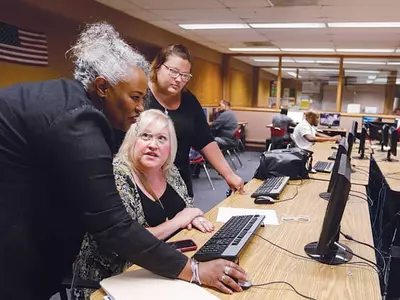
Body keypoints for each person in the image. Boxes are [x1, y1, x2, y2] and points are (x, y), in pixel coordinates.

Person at [0, 22, 246, 300]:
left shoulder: (72, 102)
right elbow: (113, 227)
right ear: (103, 87)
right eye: (136, 97)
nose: (141, 108)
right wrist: (195, 271)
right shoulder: (79, 121)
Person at [74, 109, 214, 299]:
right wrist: (179, 221)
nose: (153, 145)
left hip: (159, 266)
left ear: (171, 146)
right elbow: (127, 242)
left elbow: (187, 208)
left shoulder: (169, 171)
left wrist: (192, 217)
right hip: (114, 280)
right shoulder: (116, 176)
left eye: (162, 138)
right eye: (145, 136)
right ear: (132, 139)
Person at [148, 44, 244, 197]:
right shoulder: (140, 96)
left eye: (185, 75)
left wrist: (228, 174)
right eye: (174, 72)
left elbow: (205, 139)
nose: (179, 79)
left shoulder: (189, 101)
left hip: (179, 183)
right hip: (144, 185)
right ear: (158, 66)